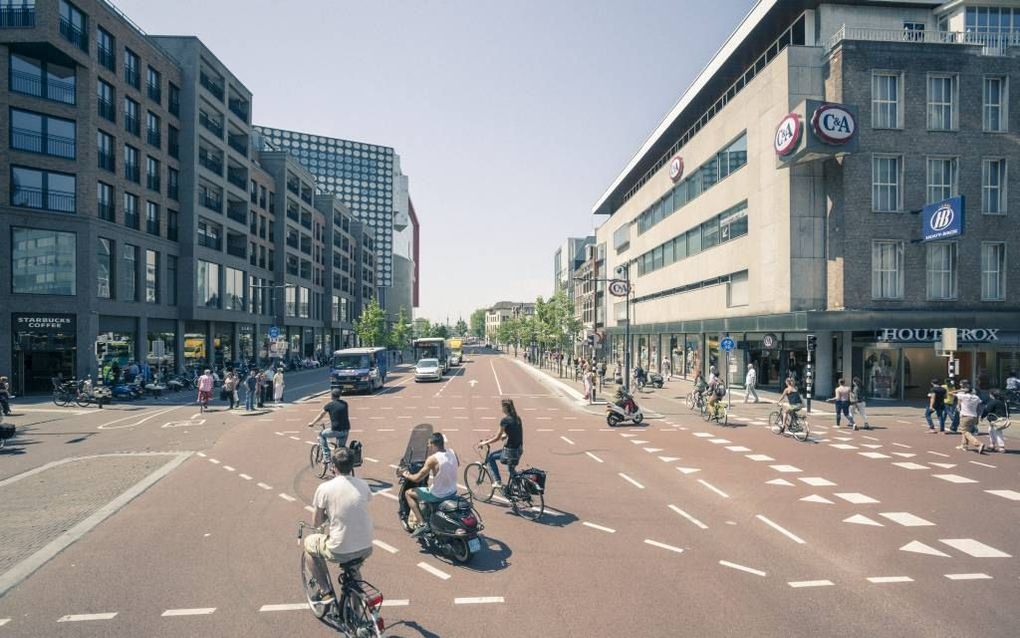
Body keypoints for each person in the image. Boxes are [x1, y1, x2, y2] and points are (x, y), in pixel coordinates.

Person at [303, 447, 374, 604]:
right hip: (366, 546)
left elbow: (317, 522)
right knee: (354, 569)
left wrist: (327, 517)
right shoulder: (363, 485)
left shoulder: (324, 488)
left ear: (333, 466)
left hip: (340, 548)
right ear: (352, 465)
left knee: (309, 546)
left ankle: (325, 591)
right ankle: (356, 612)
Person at [402, 432, 459, 536]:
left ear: (433, 444)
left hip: (438, 495)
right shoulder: (453, 452)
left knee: (408, 493)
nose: (428, 446)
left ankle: (422, 523)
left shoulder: (432, 459)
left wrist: (407, 475)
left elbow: (417, 478)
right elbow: (457, 464)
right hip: (453, 491)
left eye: (429, 444)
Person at [477, 399, 523, 490]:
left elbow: (497, 437)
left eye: (502, 406)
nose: (501, 408)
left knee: (490, 457)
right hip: (519, 449)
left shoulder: (505, 420)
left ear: (505, 408)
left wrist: (484, 442)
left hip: (510, 452)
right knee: (511, 469)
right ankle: (518, 489)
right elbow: (516, 431)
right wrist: (506, 435)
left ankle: (497, 481)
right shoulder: (517, 418)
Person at [308, 390, 351, 464]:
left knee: (321, 435)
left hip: (336, 430)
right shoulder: (345, 404)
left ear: (332, 396)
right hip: (346, 430)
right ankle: (338, 468)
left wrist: (313, 423)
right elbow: (339, 414)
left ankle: (326, 456)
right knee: (339, 451)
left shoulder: (329, 405)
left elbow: (321, 415)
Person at [954, 382, 985, 454]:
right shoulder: (976, 397)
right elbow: (979, 407)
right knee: (967, 431)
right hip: (973, 416)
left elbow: (950, 393)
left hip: (965, 416)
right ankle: (964, 445)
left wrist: (960, 390)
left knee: (964, 431)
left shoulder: (963, 396)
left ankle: (978, 444)